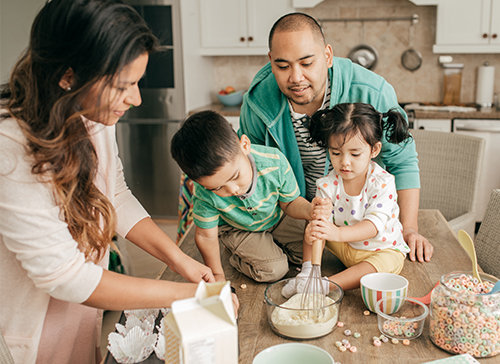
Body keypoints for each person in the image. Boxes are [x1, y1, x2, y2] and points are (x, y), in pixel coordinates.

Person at [0, 1, 231, 363]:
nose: (136, 99)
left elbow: (114, 196)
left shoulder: (91, 117)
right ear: (68, 76)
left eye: (138, 82)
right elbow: (66, 278)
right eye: (124, 85)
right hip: (33, 327)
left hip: (81, 307)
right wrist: (187, 295)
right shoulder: (10, 149)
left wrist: (178, 259)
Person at [238, 12, 433, 263]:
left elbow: (402, 162)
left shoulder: (371, 91)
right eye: (283, 66)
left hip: (362, 219)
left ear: (328, 56)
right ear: (271, 61)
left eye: (307, 63)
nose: (296, 77)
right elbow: (250, 169)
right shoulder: (257, 102)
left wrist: (410, 229)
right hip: (297, 218)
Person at [171, 110, 331, 283]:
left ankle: (268, 246)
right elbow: (205, 236)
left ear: (244, 145)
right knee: (274, 270)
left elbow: (290, 203)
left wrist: (310, 209)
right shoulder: (204, 193)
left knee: (312, 249)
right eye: (217, 188)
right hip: (238, 228)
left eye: (235, 176)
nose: (232, 190)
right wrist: (217, 275)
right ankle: (237, 254)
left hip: (276, 217)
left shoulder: (274, 162)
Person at [283, 103, 412, 295]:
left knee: (385, 264)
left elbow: (372, 226)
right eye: (336, 153)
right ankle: (308, 273)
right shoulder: (327, 184)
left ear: (374, 150)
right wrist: (320, 228)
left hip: (380, 250)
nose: (344, 162)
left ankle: (325, 285)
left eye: (355, 154)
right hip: (346, 248)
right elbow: (321, 226)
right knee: (315, 222)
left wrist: (337, 234)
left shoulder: (383, 182)